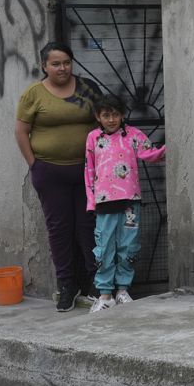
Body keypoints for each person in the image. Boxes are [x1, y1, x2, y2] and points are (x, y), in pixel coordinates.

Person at [14, 42, 102, 312]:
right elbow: (21, 131)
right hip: (50, 173)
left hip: (87, 172)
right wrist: (35, 165)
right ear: (44, 66)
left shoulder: (87, 88)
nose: (62, 68)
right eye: (55, 63)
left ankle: (97, 285)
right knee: (59, 229)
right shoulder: (34, 94)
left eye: (66, 62)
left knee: (89, 228)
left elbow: (106, 120)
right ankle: (67, 285)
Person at [84, 94, 166, 313]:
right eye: (106, 115)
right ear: (98, 117)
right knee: (105, 248)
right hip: (105, 201)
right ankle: (105, 294)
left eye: (116, 114)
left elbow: (150, 154)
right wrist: (91, 201)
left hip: (131, 200)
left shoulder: (133, 135)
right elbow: (88, 170)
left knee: (128, 246)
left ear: (122, 115)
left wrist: (169, 148)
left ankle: (122, 290)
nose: (111, 119)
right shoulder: (93, 138)